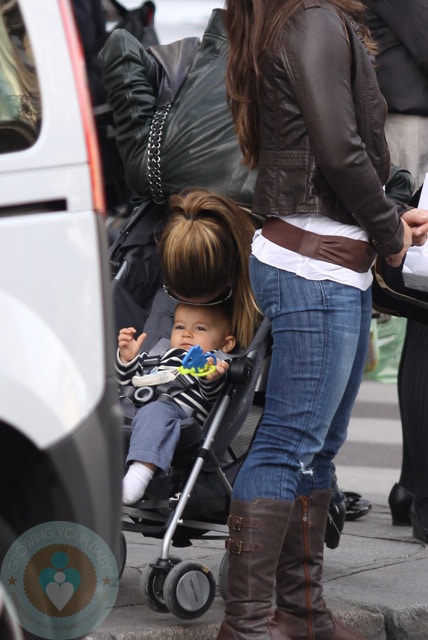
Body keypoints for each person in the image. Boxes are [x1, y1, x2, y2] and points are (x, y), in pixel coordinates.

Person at [214, 2, 428, 640]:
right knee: (288, 446)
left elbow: (330, 149)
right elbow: (339, 148)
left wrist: (385, 224)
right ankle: (249, 624)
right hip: (316, 264)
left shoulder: (300, 16)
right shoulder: (311, 16)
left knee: (316, 453)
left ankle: (302, 613)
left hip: (325, 255)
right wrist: (390, 230)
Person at [364, 0, 428, 542]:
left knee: (420, 320)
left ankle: (412, 485)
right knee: (421, 316)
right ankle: (417, 488)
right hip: (412, 137)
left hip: (408, 130)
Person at [117, 300, 236, 505]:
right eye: (180, 326)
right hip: (133, 414)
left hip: (175, 423)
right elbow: (130, 383)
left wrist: (211, 377)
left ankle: (139, 475)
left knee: (155, 411)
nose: (187, 334)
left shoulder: (214, 363)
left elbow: (212, 393)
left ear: (226, 343)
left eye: (200, 328)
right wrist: (128, 359)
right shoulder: (156, 355)